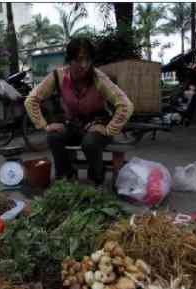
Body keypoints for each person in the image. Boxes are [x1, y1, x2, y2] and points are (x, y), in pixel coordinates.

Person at [24, 38, 134, 187]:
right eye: (79, 60)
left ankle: (97, 177)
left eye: (88, 60)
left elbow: (126, 105)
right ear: (69, 60)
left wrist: (109, 130)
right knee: (54, 137)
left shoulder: (99, 78)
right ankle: (66, 177)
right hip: (72, 124)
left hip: (97, 124)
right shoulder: (58, 76)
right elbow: (31, 100)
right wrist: (45, 126)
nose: (84, 65)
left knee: (89, 143)